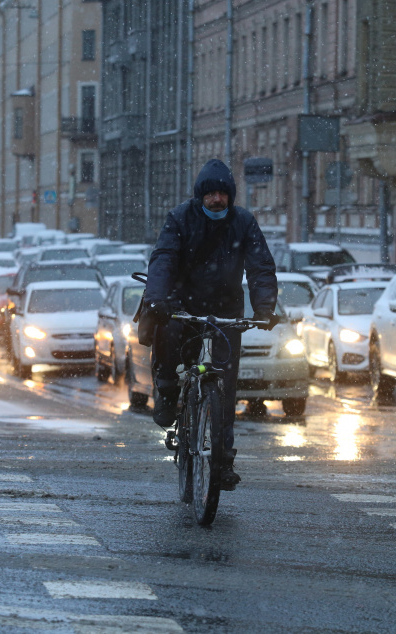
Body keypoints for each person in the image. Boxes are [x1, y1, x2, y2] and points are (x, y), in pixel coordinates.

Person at [143, 158, 278, 490]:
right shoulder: (179, 219)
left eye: (223, 194)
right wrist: (157, 299)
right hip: (182, 302)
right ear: (199, 197)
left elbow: (261, 267)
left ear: (230, 196)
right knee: (169, 334)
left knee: (225, 386)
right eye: (210, 194)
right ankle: (166, 389)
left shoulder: (244, 222)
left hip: (225, 307)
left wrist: (265, 308)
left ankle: (222, 462)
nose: (217, 200)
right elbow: (162, 261)